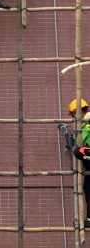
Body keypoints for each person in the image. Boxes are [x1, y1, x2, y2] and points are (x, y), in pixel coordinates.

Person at [66, 98, 90, 228]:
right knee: (87, 188)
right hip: (88, 158)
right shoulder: (82, 125)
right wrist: (74, 141)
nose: (75, 117)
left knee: (78, 151)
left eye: (74, 114)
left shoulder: (88, 117)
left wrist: (76, 145)